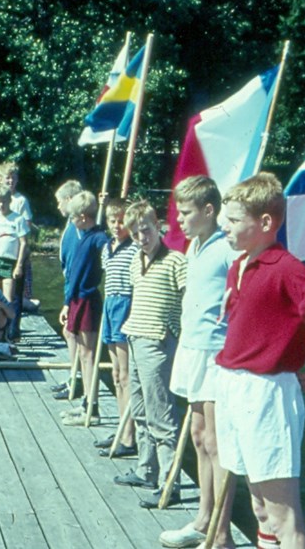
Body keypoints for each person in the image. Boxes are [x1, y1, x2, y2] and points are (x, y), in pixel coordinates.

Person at [213, 173, 305, 549]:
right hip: (233, 387)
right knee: (261, 509)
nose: (222, 226)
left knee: (284, 517)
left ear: (265, 223)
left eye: (232, 220)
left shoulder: (287, 268)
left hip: (266, 395)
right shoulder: (238, 265)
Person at [158, 176, 239, 547]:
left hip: (215, 351)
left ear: (209, 211)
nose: (179, 219)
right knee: (198, 435)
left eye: (186, 212)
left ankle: (221, 534)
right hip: (192, 347)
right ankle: (204, 518)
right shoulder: (195, 245)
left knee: (218, 443)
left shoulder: (227, 249)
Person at [112, 200, 187, 509]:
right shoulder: (134, 261)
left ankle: (172, 483)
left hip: (158, 342)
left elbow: (190, 300)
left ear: (159, 227)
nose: (141, 237)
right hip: (135, 338)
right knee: (140, 409)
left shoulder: (176, 261)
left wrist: (176, 333)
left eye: (146, 229)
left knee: (162, 414)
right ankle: (147, 469)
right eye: (136, 232)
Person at [59, 191, 109, 426]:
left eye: (73, 218)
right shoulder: (85, 236)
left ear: (82, 217)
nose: (72, 222)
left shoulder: (97, 237)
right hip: (76, 298)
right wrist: (68, 302)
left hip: (88, 299)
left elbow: (109, 249)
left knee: (88, 354)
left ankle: (93, 407)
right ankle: (86, 402)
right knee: (81, 351)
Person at [93, 197, 139, 456]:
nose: (117, 225)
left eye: (122, 221)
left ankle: (129, 437)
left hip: (125, 304)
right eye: (113, 220)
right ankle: (122, 428)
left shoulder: (134, 248)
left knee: (125, 374)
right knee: (115, 375)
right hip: (110, 305)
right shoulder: (107, 247)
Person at [51, 179, 84, 400]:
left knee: (72, 333)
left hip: (75, 289)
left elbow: (73, 264)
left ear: (70, 200)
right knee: (69, 332)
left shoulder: (76, 230)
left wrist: (66, 299)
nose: (58, 206)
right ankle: (75, 375)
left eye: (59, 201)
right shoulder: (71, 227)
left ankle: (77, 379)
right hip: (70, 285)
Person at [0, 161, 34, 339]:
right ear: (0, 179)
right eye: (7, 178)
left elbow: (26, 227)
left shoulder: (21, 201)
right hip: (0, 256)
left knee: (15, 295)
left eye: (13, 178)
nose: (10, 181)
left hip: (16, 255)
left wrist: (21, 259)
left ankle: (13, 330)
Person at [0, 184, 30, 313]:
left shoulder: (18, 219)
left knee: (8, 299)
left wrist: (19, 265)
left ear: (9, 201)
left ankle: (10, 329)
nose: (1, 205)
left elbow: (24, 243)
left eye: (4, 202)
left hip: (10, 263)